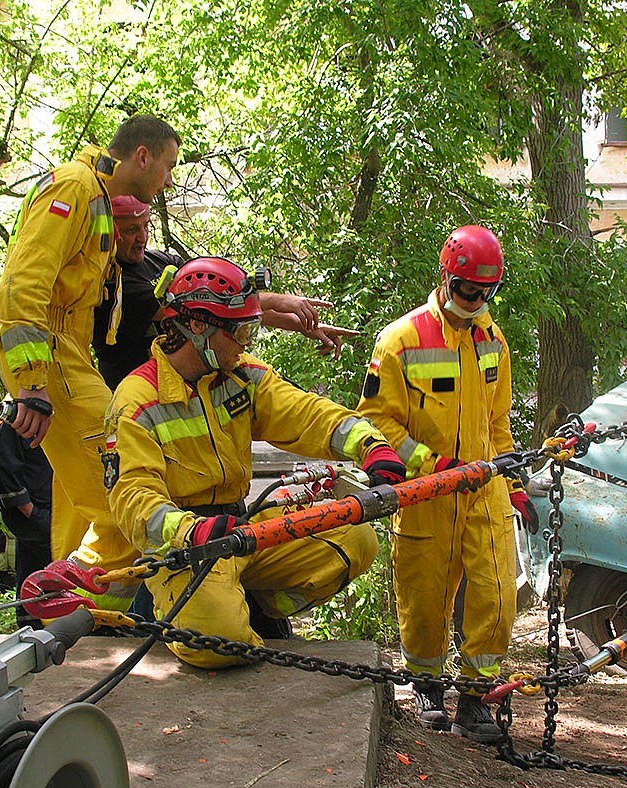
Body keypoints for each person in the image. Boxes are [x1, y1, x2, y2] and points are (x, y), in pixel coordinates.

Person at [107, 256, 405, 669]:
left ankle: (256, 606)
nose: (248, 342)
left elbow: (307, 413)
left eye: (253, 328)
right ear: (197, 326)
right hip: (184, 549)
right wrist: (191, 530)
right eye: (242, 331)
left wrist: (372, 446)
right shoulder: (137, 402)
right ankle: (198, 611)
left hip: (241, 532)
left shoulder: (241, 375)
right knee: (217, 642)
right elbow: (133, 500)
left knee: (356, 542)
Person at [356, 225, 534, 743]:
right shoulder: (400, 340)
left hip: (485, 488)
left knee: (498, 596)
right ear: (446, 277)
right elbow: (376, 420)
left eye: (485, 293)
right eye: (467, 291)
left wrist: (513, 481)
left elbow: (499, 423)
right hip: (427, 493)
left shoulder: (493, 340)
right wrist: (430, 464)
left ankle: (477, 699)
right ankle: (428, 688)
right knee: (425, 595)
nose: (476, 302)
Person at [0, 115, 180, 608]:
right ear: (142, 156)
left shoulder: (94, 195)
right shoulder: (74, 188)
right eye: (166, 168)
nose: (166, 183)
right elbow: (21, 284)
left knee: (86, 497)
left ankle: (77, 607)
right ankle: (79, 600)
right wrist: (32, 384)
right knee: (125, 485)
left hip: (69, 357)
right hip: (52, 359)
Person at [91, 194, 359, 390]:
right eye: (130, 230)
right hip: (141, 393)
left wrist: (302, 324)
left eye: (146, 226)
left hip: (186, 387)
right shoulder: (112, 285)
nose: (142, 236)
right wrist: (281, 300)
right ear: (109, 231)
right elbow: (212, 305)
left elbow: (227, 312)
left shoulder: (161, 262)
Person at [0, 402, 53, 627]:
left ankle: (32, 623)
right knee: (46, 568)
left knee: (32, 565)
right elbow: (2, 467)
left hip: (49, 507)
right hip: (34, 512)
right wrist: (31, 512)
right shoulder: (8, 413)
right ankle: (36, 625)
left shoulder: (45, 406)